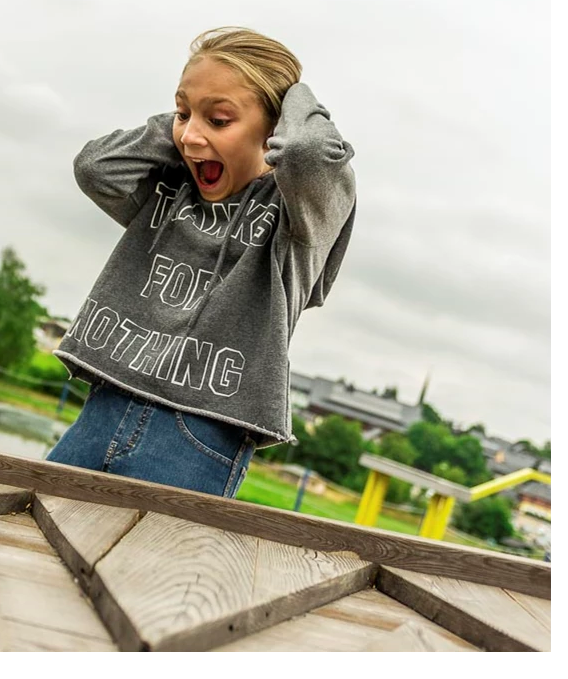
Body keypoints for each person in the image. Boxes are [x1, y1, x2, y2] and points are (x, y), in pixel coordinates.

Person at [48, 26, 356, 497]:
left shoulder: (300, 222)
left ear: (276, 128)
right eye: (183, 114)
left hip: (198, 438)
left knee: (152, 569)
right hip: (104, 407)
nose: (191, 136)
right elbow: (96, 167)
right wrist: (189, 122)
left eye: (220, 120)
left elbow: (310, 153)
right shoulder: (171, 189)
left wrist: (295, 94)